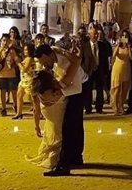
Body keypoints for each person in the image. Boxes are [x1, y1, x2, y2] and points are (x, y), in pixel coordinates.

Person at [34, 44, 88, 176]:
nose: (45, 65)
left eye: (45, 62)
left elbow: (76, 89)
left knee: (68, 126)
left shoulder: (66, 62)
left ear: (49, 55)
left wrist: (58, 93)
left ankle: (63, 165)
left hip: (80, 88)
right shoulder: (55, 61)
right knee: (75, 124)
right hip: (76, 88)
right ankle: (76, 157)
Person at [26, 70, 68, 170]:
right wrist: (36, 126)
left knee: (59, 136)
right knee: (56, 138)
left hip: (59, 117)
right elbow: (36, 110)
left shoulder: (58, 88)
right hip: (51, 119)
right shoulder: (37, 92)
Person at [0, 33, 20, 116]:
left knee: (14, 91)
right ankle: (3, 108)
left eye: (7, 40)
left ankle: (15, 105)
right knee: (3, 91)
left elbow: (16, 60)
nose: (5, 42)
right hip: (2, 74)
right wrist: (2, 49)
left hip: (11, 74)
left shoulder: (12, 51)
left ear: (10, 41)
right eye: (3, 40)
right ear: (1, 41)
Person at [110, 30, 132, 115]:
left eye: (126, 36)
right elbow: (114, 55)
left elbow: (131, 57)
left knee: (124, 89)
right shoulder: (117, 46)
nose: (124, 37)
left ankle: (121, 106)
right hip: (117, 68)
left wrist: (129, 47)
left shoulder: (129, 46)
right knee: (116, 88)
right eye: (123, 36)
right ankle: (115, 108)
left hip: (126, 68)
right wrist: (118, 45)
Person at [13, 43, 35, 119]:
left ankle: (39, 112)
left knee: (32, 99)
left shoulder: (30, 58)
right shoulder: (26, 58)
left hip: (29, 81)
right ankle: (19, 113)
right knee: (19, 95)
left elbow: (25, 69)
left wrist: (18, 62)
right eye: (25, 49)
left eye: (27, 50)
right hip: (23, 80)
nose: (25, 51)